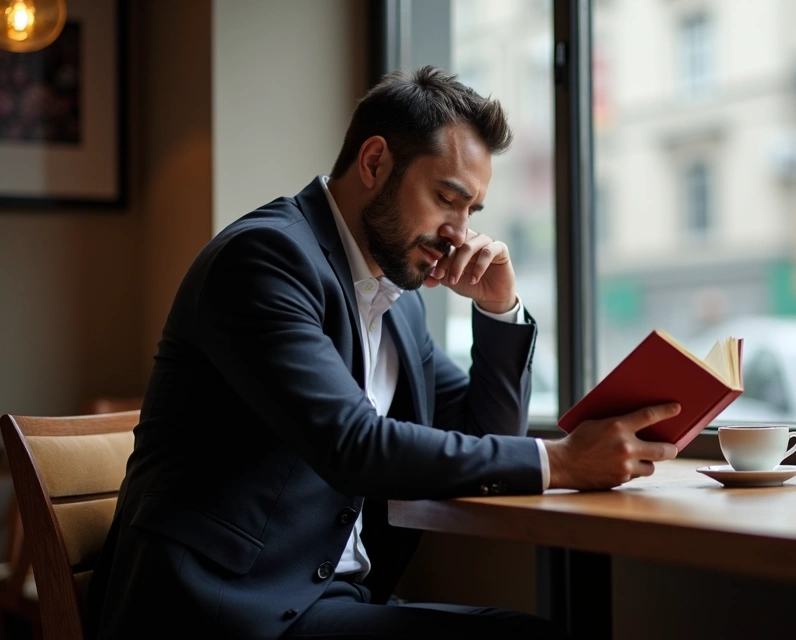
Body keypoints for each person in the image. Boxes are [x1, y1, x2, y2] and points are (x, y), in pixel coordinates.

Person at [84, 66, 680, 640]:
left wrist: (498, 309)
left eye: (472, 211)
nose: (460, 232)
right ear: (375, 162)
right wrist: (563, 461)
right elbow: (352, 444)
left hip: (321, 603)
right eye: (448, 199)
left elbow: (483, 430)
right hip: (216, 611)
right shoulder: (265, 259)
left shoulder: (397, 300)